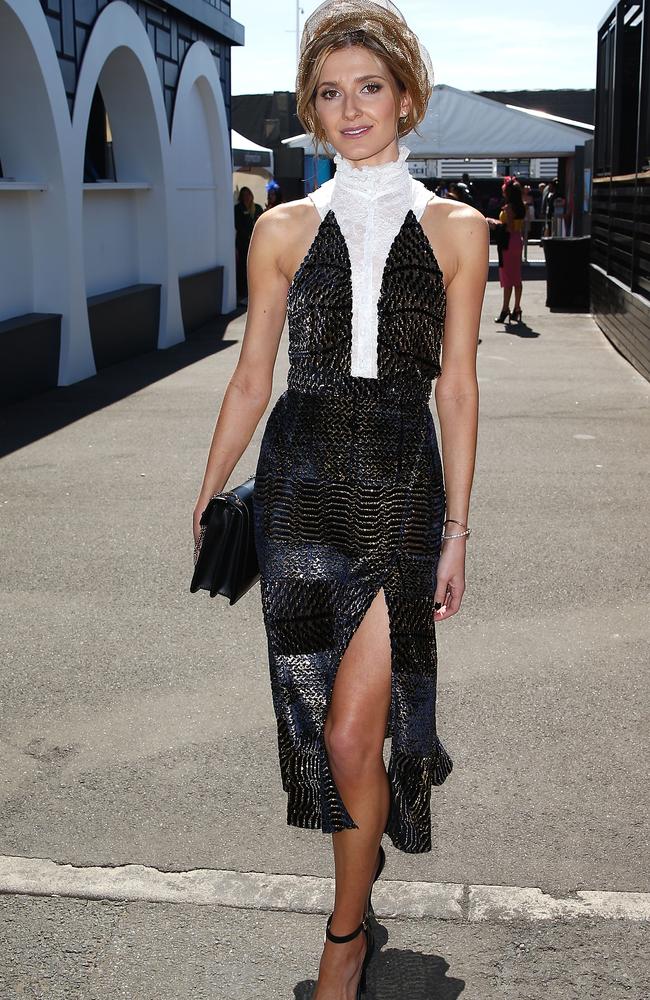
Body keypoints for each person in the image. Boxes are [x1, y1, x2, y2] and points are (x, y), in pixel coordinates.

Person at [193, 1, 488, 996]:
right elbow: (249, 377)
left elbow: (456, 383)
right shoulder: (279, 229)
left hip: (401, 486)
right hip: (298, 489)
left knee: (353, 732)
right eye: (329, 93)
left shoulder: (459, 228)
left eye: (369, 86)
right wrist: (206, 492)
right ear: (312, 115)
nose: (350, 107)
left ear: (404, 95)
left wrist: (454, 531)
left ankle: (344, 933)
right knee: (316, 717)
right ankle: (356, 900)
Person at [487, 177, 526, 324]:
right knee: (517, 276)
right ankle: (517, 308)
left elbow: (507, 228)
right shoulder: (522, 207)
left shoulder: (509, 208)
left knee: (508, 277)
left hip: (508, 242)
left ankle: (505, 309)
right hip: (517, 240)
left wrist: (493, 223)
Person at [234, 186, 263, 304]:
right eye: (244, 195)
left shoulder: (257, 208)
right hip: (243, 243)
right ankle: (243, 292)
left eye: (248, 194)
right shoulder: (237, 208)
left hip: (256, 242)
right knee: (243, 267)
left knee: (255, 266)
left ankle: (255, 290)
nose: (246, 197)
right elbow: (238, 225)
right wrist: (248, 234)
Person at [522, 183, 535, 263]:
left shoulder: (531, 197)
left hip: (528, 215)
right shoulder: (520, 197)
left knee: (527, 230)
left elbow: (532, 207)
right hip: (522, 215)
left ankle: (525, 242)